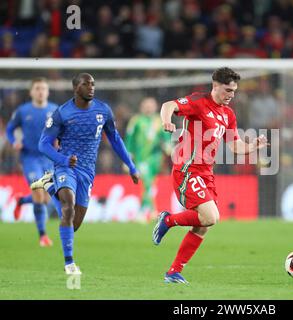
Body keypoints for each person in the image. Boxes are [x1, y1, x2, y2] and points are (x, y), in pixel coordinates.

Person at [152, 67, 268, 283]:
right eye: (227, 90)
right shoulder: (198, 102)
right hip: (187, 169)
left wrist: (253, 146)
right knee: (211, 216)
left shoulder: (228, 114)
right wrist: (166, 120)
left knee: (204, 225)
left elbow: (235, 146)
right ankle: (167, 220)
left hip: (206, 174)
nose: (231, 95)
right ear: (215, 86)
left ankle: (173, 273)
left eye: (234, 91)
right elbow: (168, 105)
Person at [36, 73, 139, 275]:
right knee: (67, 208)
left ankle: (49, 185)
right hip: (66, 167)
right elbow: (43, 144)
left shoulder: (103, 110)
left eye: (93, 84)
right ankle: (69, 263)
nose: (91, 87)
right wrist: (63, 160)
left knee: (73, 225)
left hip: (87, 171)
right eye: (86, 84)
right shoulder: (62, 113)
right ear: (76, 88)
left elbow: (115, 139)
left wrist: (131, 166)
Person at [6, 77, 58, 247]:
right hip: (30, 158)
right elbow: (10, 128)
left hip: (48, 158)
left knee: (45, 199)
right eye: (37, 88)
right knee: (38, 191)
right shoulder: (23, 111)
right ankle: (43, 235)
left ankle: (21, 201)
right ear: (31, 92)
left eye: (43, 88)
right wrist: (14, 141)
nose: (41, 91)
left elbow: (62, 131)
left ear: (48, 91)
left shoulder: (54, 110)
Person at [125, 97, 171, 221]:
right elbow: (129, 140)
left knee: (149, 184)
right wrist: (127, 159)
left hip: (156, 158)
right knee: (147, 182)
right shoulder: (136, 121)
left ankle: (145, 210)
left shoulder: (159, 121)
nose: (149, 107)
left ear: (156, 107)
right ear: (141, 106)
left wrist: (168, 147)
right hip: (141, 158)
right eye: (146, 105)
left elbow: (166, 136)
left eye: (151, 105)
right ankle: (151, 211)